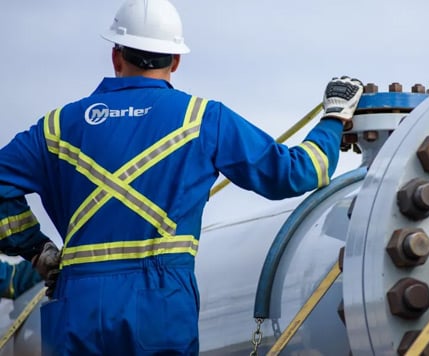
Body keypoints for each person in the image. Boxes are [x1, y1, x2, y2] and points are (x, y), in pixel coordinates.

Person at [0, 0, 363, 355]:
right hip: (161, 304)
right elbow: (298, 173)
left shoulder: (57, 128)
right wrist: (333, 118)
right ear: (175, 60)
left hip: (77, 306)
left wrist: (36, 249)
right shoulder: (201, 119)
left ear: (116, 56)